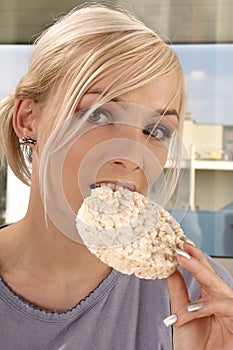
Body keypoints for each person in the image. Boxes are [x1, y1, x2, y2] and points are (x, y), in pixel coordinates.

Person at [0, 3, 233, 349]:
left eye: (156, 130)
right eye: (97, 114)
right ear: (28, 119)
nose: (129, 153)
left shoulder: (201, 296)